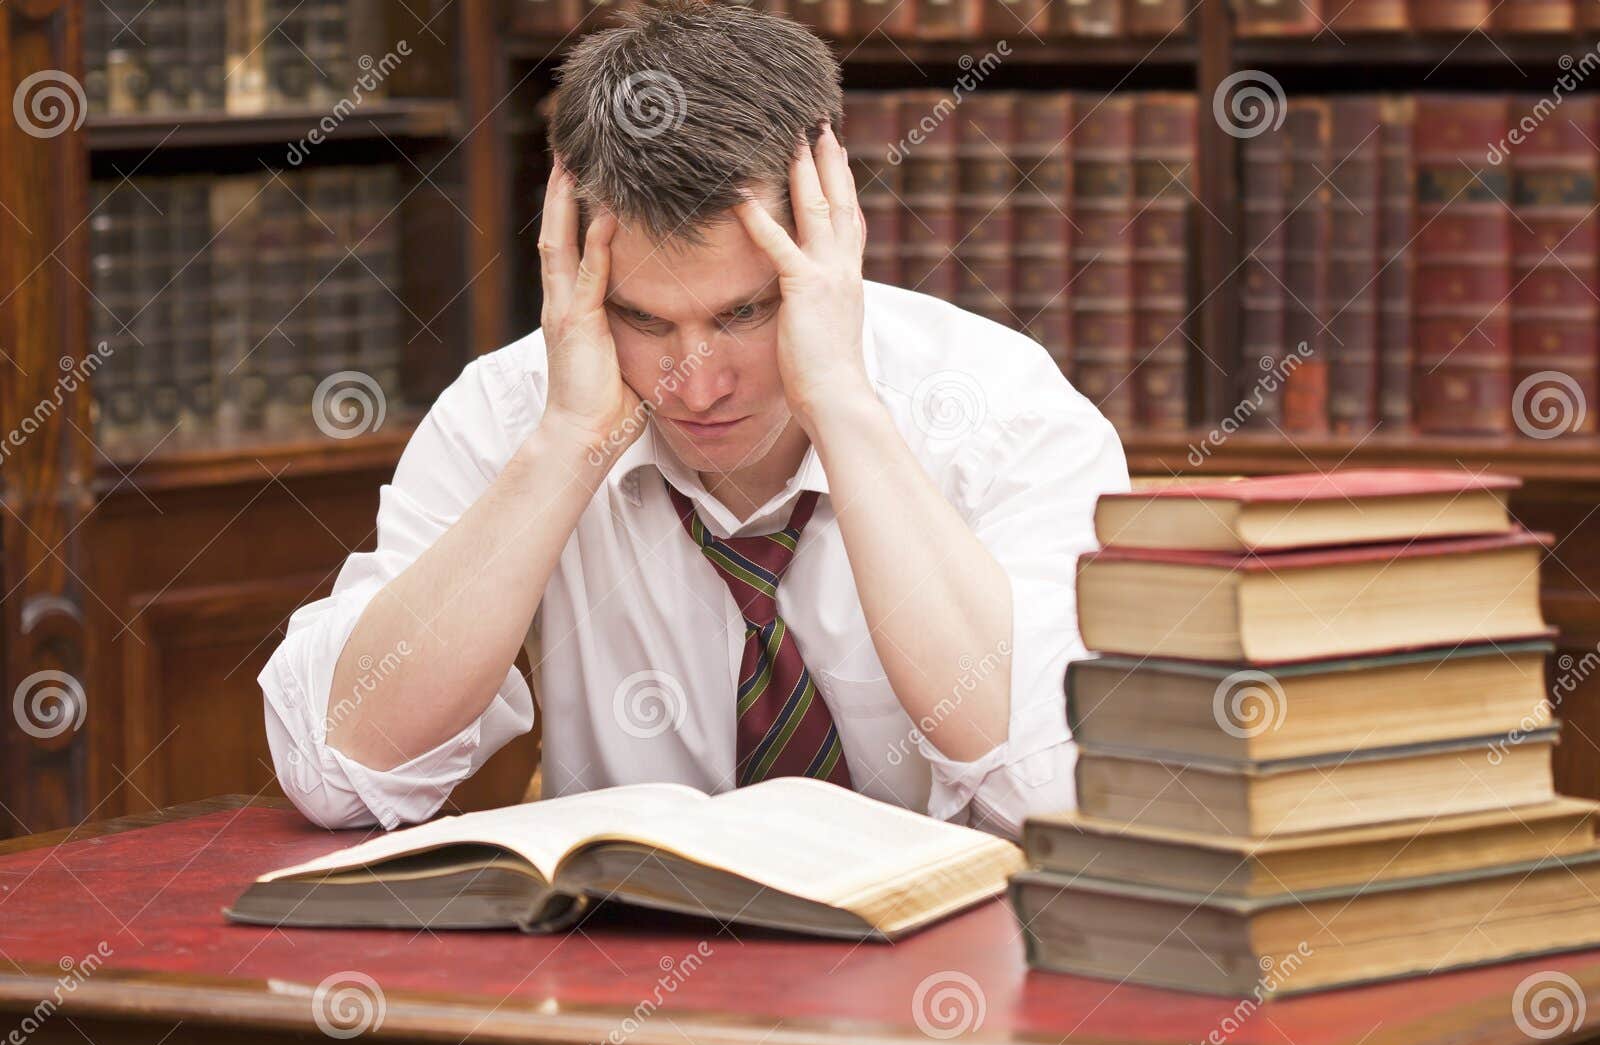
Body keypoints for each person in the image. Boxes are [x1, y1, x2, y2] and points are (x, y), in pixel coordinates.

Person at [258, 0, 1129, 839]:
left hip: (948, 973)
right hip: (626, 971)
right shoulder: (516, 410)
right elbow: (338, 775)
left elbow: (1060, 789)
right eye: (644, 319)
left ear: (834, 242)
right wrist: (566, 446)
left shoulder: (1000, 408)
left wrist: (843, 406)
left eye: (747, 312)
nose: (699, 384)